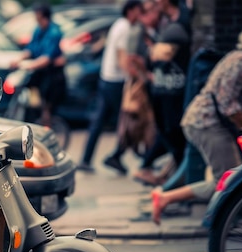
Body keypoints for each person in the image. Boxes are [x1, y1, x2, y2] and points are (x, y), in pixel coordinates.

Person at [150, 17, 242, 225]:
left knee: (220, 180)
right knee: (230, 180)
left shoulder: (237, 57)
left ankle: (168, 198)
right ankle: (219, 221)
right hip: (208, 124)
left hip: (200, 121)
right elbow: (228, 105)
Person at [77, 0, 143, 173]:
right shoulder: (125, 28)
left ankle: (86, 159)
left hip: (106, 79)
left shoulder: (119, 25)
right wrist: (136, 75)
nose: (141, 14)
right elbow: (122, 59)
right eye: (139, 10)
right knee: (127, 121)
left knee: (99, 121)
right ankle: (116, 156)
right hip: (115, 82)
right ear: (131, 11)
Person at [132, 0, 192, 185]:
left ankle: (174, 185)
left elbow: (161, 54)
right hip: (162, 92)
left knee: (176, 140)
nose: (155, 4)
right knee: (168, 137)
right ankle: (170, 181)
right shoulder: (165, 23)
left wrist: (155, 51)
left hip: (175, 94)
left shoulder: (183, 19)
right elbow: (151, 56)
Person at [103, 0, 161, 174]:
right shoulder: (130, 29)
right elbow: (128, 60)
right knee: (134, 123)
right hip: (132, 83)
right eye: (146, 10)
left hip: (126, 81)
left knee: (134, 123)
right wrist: (144, 76)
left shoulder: (135, 29)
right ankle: (141, 158)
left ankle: (141, 157)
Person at [9, 3, 67, 127]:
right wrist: (18, 59)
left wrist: (30, 65)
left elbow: (46, 58)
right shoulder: (38, 30)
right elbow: (31, 49)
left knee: (47, 107)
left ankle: (46, 126)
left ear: (44, 17)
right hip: (40, 73)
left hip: (52, 75)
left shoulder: (54, 32)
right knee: (31, 96)